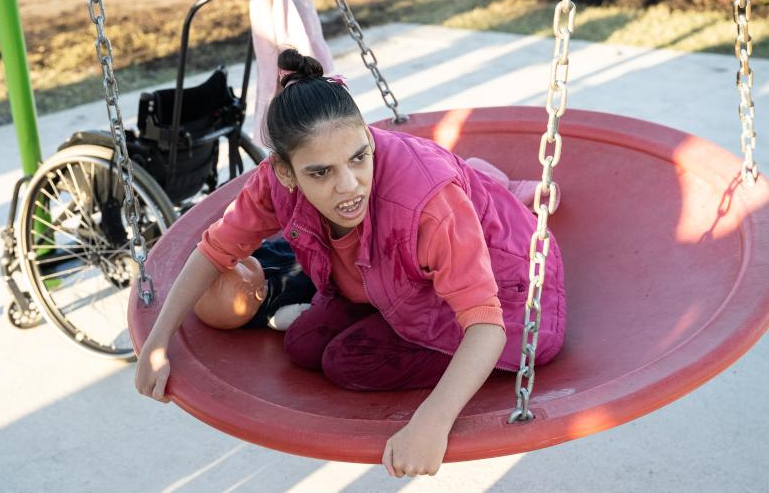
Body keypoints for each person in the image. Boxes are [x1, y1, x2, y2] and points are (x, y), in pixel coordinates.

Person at [135, 49, 567, 478]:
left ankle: (490, 187)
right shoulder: (275, 183)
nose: (348, 187)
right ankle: (486, 185)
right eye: (321, 173)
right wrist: (157, 342)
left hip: (512, 290)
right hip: (394, 279)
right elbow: (214, 250)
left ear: (368, 135)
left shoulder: (428, 203)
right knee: (302, 345)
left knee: (348, 363)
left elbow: (486, 323)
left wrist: (432, 422)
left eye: (360, 157)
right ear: (285, 172)